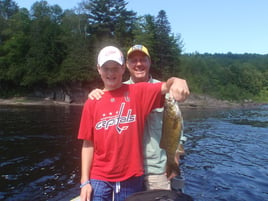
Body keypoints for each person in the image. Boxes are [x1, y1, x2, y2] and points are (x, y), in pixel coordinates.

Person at [78, 45, 189, 201]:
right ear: (128, 66)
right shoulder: (100, 98)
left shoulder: (144, 91)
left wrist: (178, 81)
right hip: (115, 173)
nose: (138, 64)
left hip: (154, 169)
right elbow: (88, 143)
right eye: (133, 60)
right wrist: (85, 181)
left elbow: (176, 128)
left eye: (143, 59)